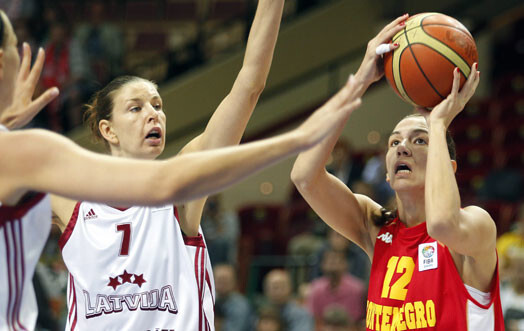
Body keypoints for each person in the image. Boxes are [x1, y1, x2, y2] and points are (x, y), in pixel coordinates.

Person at [0, 9, 362, 330]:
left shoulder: (183, 183)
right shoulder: (70, 198)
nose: (153, 113)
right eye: (136, 108)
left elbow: (249, 86)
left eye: (157, 104)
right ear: (108, 130)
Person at [291, 14, 504, 330]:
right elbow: (304, 176)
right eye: (394, 142)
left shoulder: (476, 226)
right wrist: (360, 81)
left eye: (420, 140)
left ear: (447, 166)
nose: (402, 147)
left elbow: (443, 224)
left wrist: (438, 122)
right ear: (387, 175)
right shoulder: (376, 227)